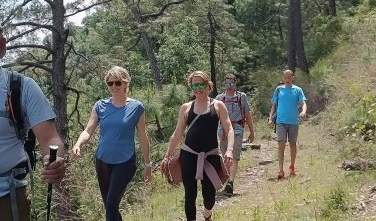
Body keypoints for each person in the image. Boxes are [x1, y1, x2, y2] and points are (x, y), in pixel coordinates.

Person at [0, 28, 66, 220]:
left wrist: (56, 160)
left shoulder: (21, 88)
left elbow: (51, 138)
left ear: (1, 46)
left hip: (8, 198)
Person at [71, 66, 152, 221]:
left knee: (111, 203)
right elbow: (88, 130)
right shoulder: (100, 106)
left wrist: (148, 165)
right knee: (110, 206)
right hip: (102, 161)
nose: (114, 86)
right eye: (110, 83)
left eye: (118, 83)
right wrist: (78, 145)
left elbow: (143, 136)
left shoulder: (136, 107)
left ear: (126, 83)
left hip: (125, 162)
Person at [160, 71, 234, 221]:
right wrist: (167, 156)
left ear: (208, 86)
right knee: (190, 194)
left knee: (209, 196)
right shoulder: (186, 107)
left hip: (210, 155)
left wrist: (230, 150)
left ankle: (207, 214)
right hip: (189, 155)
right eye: (194, 85)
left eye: (201, 84)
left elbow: (229, 128)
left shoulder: (218, 105)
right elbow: (177, 134)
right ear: (191, 86)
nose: (198, 88)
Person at [215, 73, 255, 196]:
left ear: (235, 83)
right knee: (224, 156)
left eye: (232, 83)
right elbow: (214, 117)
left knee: (234, 156)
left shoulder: (241, 97)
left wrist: (252, 131)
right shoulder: (219, 98)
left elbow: (247, 114)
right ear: (224, 84)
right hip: (223, 131)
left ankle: (231, 182)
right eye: (227, 83)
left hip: (237, 129)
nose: (229, 85)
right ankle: (227, 181)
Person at [268, 70, 307, 179]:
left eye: (289, 77)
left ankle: (292, 166)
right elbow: (273, 105)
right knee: (281, 143)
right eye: (285, 77)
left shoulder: (297, 90)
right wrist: (270, 117)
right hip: (280, 121)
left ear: (292, 77)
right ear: (283, 78)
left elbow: (303, 103)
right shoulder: (279, 90)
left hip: (293, 121)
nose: (287, 79)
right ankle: (280, 170)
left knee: (292, 144)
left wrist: (303, 111)